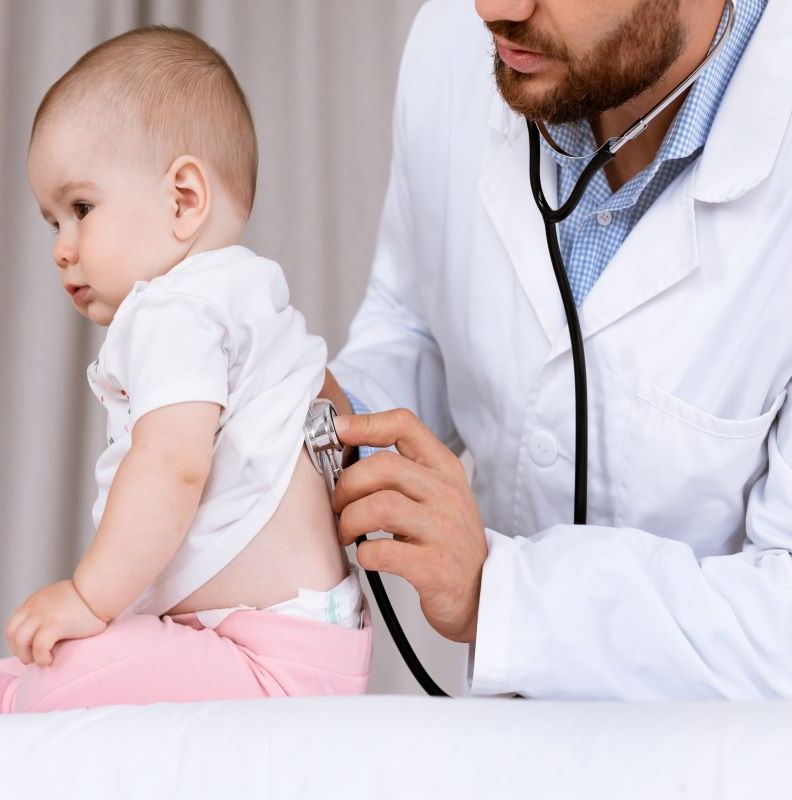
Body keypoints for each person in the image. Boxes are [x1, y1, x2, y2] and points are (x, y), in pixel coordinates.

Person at [0, 25, 371, 713]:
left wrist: (90, 596)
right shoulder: (241, 295)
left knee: (73, 659)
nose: (62, 248)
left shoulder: (179, 310)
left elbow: (172, 465)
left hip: (267, 662)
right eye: (53, 222)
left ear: (184, 200)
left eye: (81, 209)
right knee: (74, 649)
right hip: (280, 642)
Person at [318, 0, 792, 700]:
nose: (493, 9)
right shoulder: (453, 44)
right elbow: (413, 320)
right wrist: (325, 422)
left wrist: (502, 596)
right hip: (505, 753)